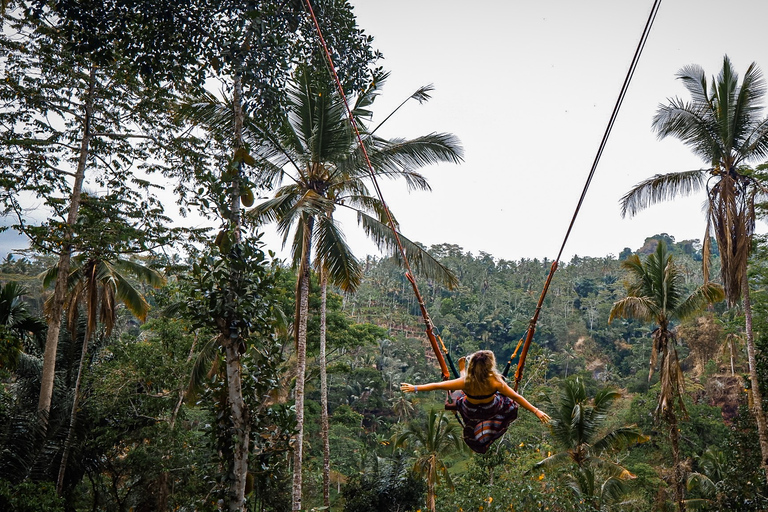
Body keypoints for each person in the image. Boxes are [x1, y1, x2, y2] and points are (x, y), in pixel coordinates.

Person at [400, 350, 550, 454]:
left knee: (459, 395)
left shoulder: (465, 382)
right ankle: (463, 371)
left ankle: (462, 370)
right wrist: (536, 411)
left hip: (469, 410)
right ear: (490, 366)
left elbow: (437, 386)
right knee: (507, 401)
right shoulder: (496, 382)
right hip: (491, 409)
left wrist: (415, 388)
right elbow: (517, 397)